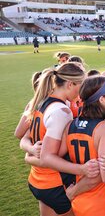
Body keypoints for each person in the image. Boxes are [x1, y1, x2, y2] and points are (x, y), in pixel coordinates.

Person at [39, 75, 105, 216]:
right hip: (99, 203)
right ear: (101, 99)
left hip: (78, 201)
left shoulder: (71, 125)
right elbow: (103, 172)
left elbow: (52, 158)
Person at [19, 62, 86, 216]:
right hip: (54, 183)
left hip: (37, 180)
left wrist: (28, 153)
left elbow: (22, 137)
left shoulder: (41, 101)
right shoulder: (61, 111)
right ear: (70, 84)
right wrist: (82, 169)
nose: (81, 92)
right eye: (80, 86)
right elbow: (48, 157)